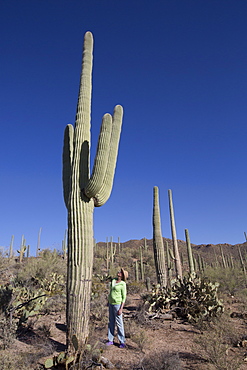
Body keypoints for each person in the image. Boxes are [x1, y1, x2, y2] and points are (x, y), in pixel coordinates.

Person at [106, 268, 128, 348]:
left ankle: (122, 341)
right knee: (111, 322)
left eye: (121, 273)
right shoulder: (113, 281)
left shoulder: (123, 284)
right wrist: (108, 301)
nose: (119, 272)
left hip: (117, 304)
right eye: (119, 272)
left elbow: (124, 297)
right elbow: (111, 291)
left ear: (122, 276)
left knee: (119, 323)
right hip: (111, 303)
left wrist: (121, 308)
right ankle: (110, 340)